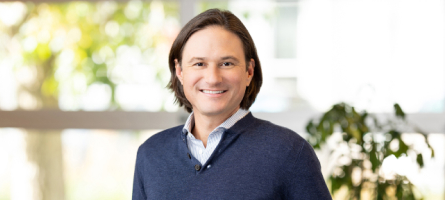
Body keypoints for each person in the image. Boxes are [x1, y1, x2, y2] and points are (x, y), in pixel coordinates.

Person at [132, 9, 332, 200]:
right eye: (199, 63)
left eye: (227, 63)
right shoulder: (150, 154)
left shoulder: (290, 152)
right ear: (180, 71)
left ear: (249, 71)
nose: (213, 78)